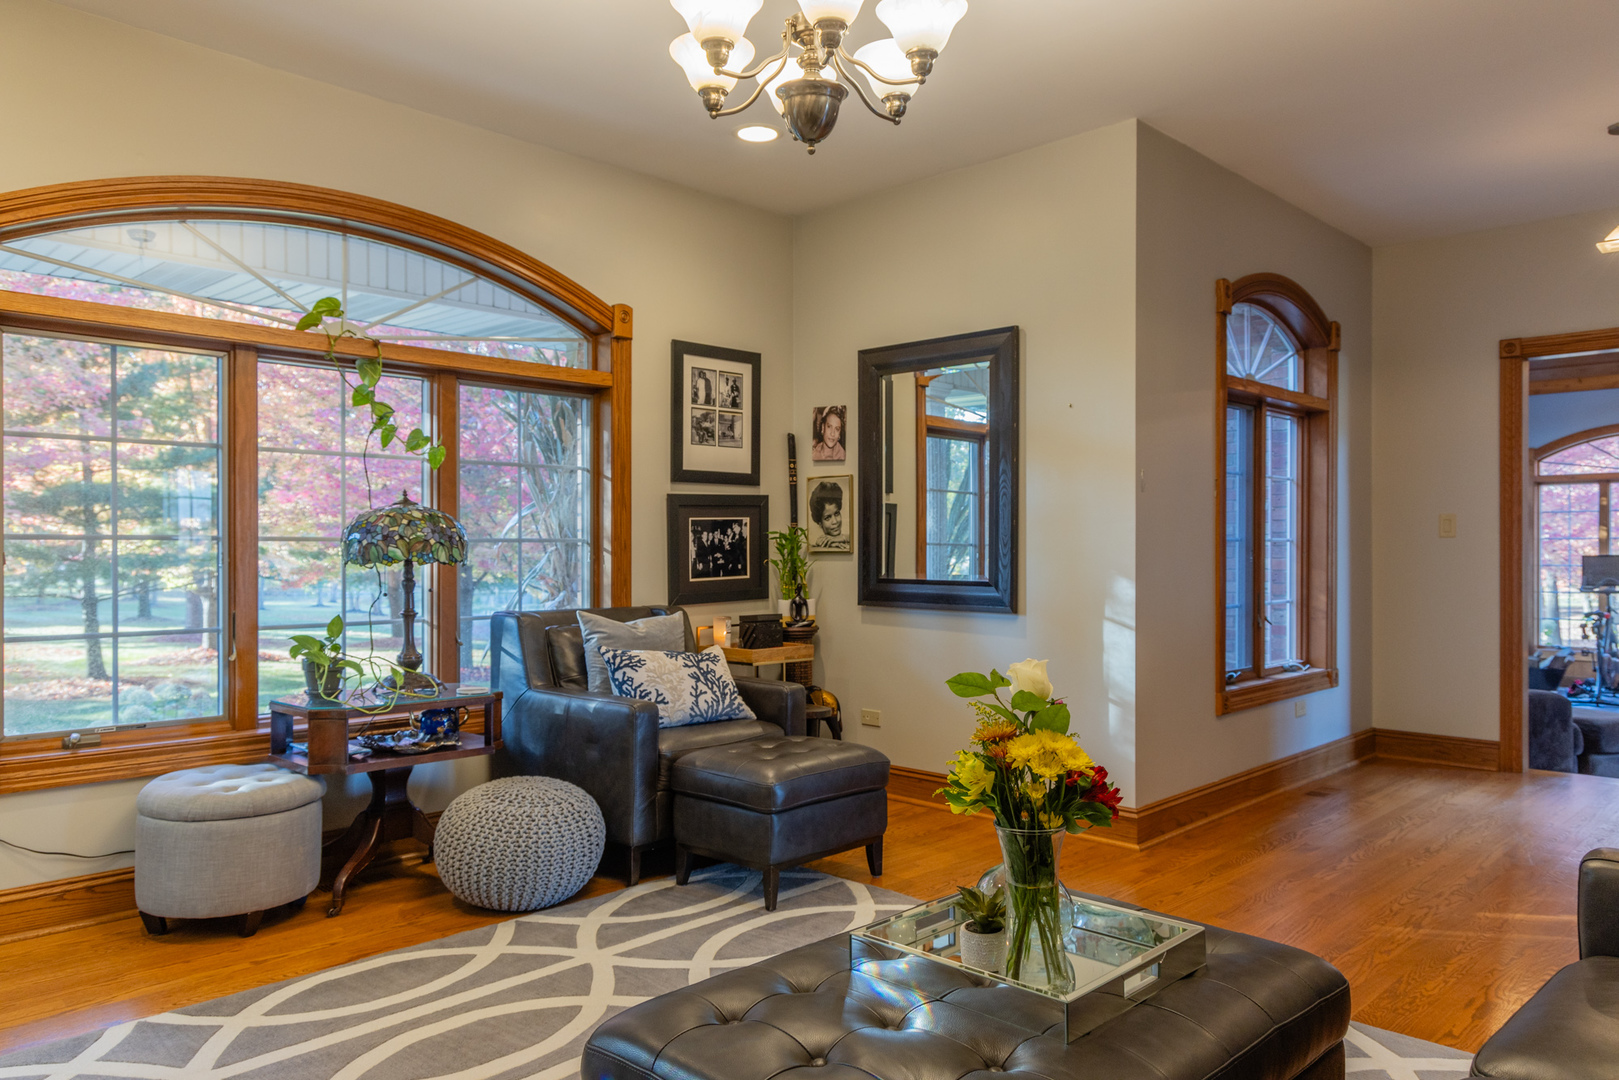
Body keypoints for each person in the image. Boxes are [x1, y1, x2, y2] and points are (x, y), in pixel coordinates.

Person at [809, 480, 845, 549]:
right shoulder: (816, 543)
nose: (835, 521)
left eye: (837, 513)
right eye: (828, 518)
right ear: (820, 523)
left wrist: (843, 538)